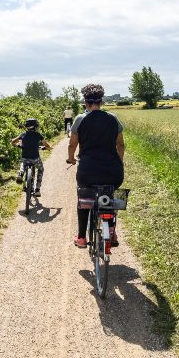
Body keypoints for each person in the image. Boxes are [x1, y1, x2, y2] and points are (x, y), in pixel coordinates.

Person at [66, 84, 124, 248]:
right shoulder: (113, 118)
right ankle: (111, 231)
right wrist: (118, 162)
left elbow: (72, 145)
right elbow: (121, 145)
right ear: (102, 101)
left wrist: (71, 159)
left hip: (88, 172)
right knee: (109, 195)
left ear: (85, 102)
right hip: (113, 171)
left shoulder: (80, 119)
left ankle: (82, 238)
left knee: (84, 199)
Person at [12, 118, 51, 197]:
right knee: (41, 169)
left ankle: (21, 174)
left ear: (26, 126)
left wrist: (18, 145)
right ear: (35, 126)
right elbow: (46, 145)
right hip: (35, 158)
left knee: (23, 162)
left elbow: (13, 142)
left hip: (25, 157)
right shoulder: (38, 135)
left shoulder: (23, 134)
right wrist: (48, 148)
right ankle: (37, 189)